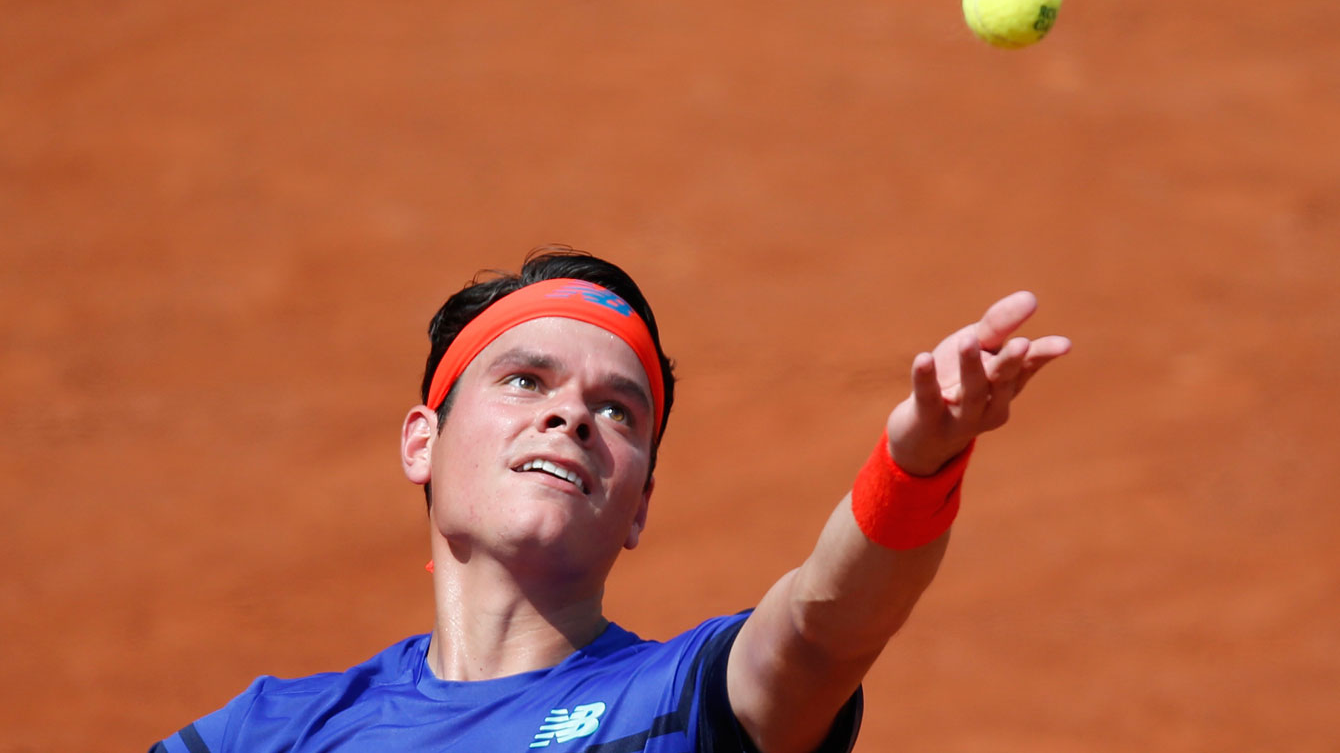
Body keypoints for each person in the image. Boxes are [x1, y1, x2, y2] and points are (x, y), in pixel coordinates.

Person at [150, 246, 1070, 753]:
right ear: (420, 442)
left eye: (616, 410)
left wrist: (916, 462)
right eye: (523, 381)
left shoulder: (675, 705)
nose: (571, 417)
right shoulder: (269, 733)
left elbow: (821, 632)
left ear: (639, 506)